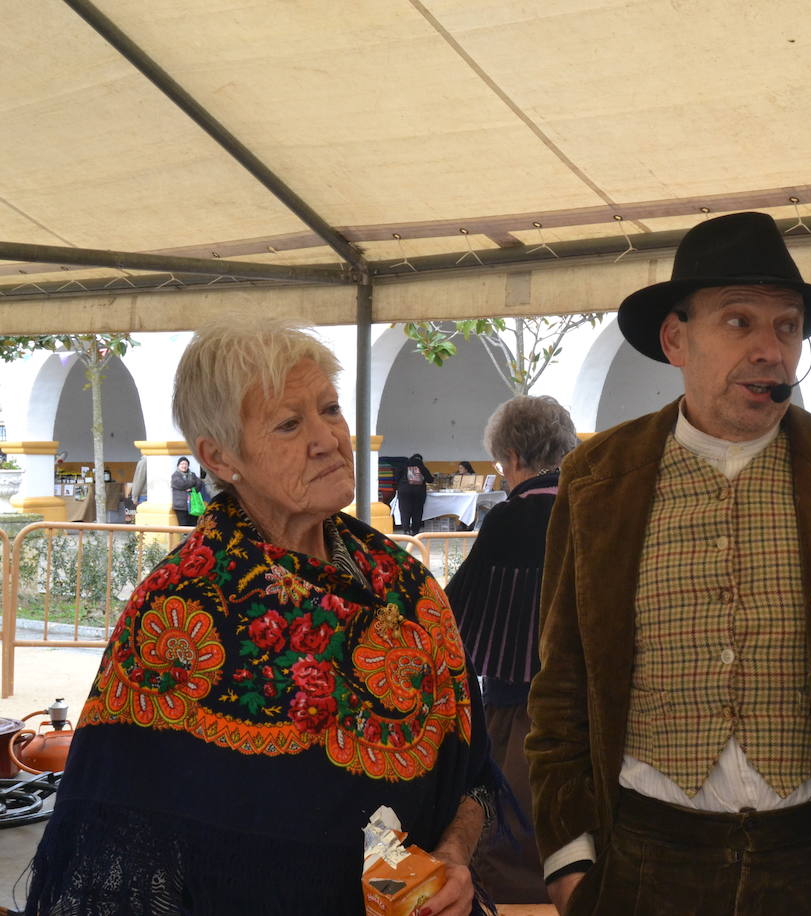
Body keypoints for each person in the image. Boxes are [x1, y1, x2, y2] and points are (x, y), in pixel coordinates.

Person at [525, 212, 811, 916]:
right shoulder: (599, 478)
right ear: (676, 339)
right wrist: (569, 862)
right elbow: (560, 683)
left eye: (786, 326)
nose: (770, 350)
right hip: (645, 860)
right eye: (739, 322)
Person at [24, 316, 503, 915]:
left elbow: (474, 771)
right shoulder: (180, 608)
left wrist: (455, 857)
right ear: (221, 456)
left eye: (330, 409)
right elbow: (117, 830)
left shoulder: (404, 585)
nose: (327, 438)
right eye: (288, 423)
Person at [446, 396, 579, 904]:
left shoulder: (510, 519)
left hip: (518, 705)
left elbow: (456, 611)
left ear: (514, 459)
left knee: (514, 827)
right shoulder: (586, 508)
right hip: (586, 706)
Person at [398, 452, 435, 535]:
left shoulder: (403, 466)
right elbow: (430, 479)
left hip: (404, 491)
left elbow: (397, 477)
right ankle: (415, 530)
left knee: (404, 511)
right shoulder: (421, 467)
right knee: (417, 511)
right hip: (418, 492)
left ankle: (406, 530)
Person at [169, 455, 209, 527]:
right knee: (183, 527)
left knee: (193, 527)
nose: (184, 466)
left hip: (193, 505)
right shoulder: (175, 475)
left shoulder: (192, 474)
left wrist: (192, 489)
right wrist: (193, 482)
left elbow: (199, 483)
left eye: (186, 464)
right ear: (178, 465)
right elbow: (182, 484)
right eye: (182, 464)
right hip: (181, 507)